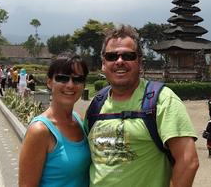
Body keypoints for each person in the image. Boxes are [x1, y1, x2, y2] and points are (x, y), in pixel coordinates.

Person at [85, 24, 199, 187]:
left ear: (140, 63)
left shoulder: (162, 100)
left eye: (128, 56)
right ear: (103, 63)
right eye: (112, 57)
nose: (119, 61)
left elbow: (188, 161)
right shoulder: (97, 104)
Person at [19, 53, 91, 187]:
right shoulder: (40, 130)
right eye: (62, 78)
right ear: (49, 82)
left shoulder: (79, 120)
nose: (70, 85)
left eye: (77, 79)